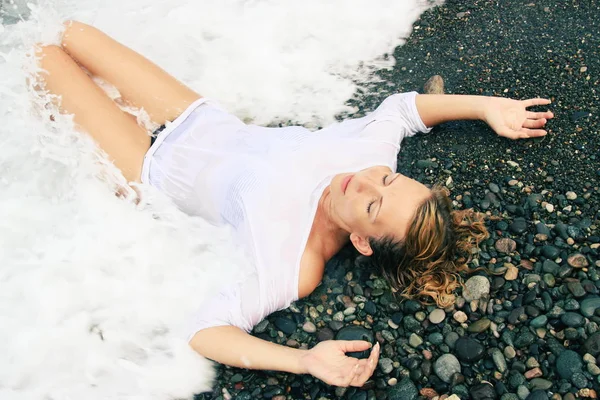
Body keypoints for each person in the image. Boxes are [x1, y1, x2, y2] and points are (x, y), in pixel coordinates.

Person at [32, 21, 554, 389]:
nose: (364, 183)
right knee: (70, 32)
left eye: (373, 207)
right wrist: (487, 107)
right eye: (390, 180)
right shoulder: (370, 157)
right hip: (194, 116)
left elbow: (205, 331)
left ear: (361, 242)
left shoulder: (295, 264)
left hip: (145, 167)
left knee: (39, 59)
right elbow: (404, 110)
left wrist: (303, 361)